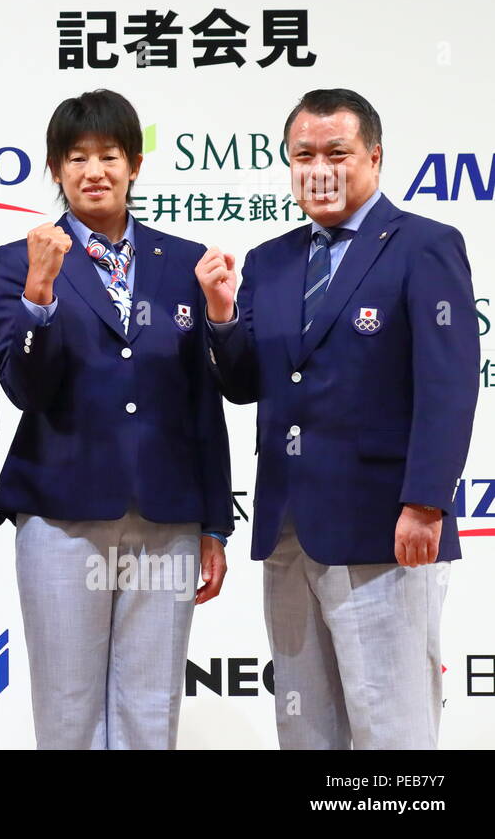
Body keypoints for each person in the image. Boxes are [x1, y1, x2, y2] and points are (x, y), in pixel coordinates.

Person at [197, 88, 479, 749]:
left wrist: (426, 503)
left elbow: (450, 383)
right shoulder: (269, 260)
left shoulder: (425, 246)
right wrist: (220, 315)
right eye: (303, 155)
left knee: (393, 727)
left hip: (387, 524)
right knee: (305, 727)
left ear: (374, 158)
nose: (319, 168)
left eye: (337, 153)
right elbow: (244, 385)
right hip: (289, 529)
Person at [0, 89, 232, 749]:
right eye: (76, 158)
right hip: (60, 512)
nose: (93, 171)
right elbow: (24, 388)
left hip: (167, 515)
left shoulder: (184, 263)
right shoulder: (20, 260)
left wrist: (213, 523)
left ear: (135, 165)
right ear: (55, 169)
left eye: (108, 155)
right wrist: (39, 292)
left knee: (150, 710)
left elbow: (203, 401)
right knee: (68, 711)